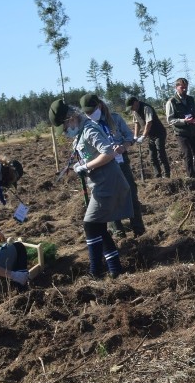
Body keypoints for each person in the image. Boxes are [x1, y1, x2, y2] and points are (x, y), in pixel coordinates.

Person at [48, 99, 132, 278]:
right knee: (99, 228)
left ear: (71, 119)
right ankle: (115, 269)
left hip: (108, 183)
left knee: (90, 224)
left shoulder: (89, 130)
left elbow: (108, 153)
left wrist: (86, 166)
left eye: (64, 128)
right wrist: (80, 165)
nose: (65, 132)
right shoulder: (80, 134)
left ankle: (95, 271)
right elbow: (89, 155)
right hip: (99, 184)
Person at [80, 95, 145, 237]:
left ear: (100, 106)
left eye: (93, 111)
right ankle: (118, 232)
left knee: (131, 193)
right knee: (110, 199)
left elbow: (129, 137)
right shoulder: (86, 127)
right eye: (87, 113)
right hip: (103, 168)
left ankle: (139, 230)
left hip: (121, 163)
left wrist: (123, 147)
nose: (90, 115)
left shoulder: (115, 119)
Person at [166, 78, 195, 182]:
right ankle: (191, 180)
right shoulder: (171, 102)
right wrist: (184, 121)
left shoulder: (191, 99)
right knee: (188, 155)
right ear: (176, 87)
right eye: (182, 87)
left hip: (194, 131)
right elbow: (170, 120)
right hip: (181, 133)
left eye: (186, 87)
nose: (185, 89)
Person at [127, 96, 171, 179]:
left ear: (136, 103)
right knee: (152, 156)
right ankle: (158, 176)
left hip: (159, 133)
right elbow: (137, 123)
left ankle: (167, 175)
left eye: (132, 107)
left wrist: (143, 136)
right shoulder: (134, 111)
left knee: (160, 154)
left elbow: (149, 123)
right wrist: (135, 136)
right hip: (151, 136)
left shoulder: (146, 108)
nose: (132, 109)